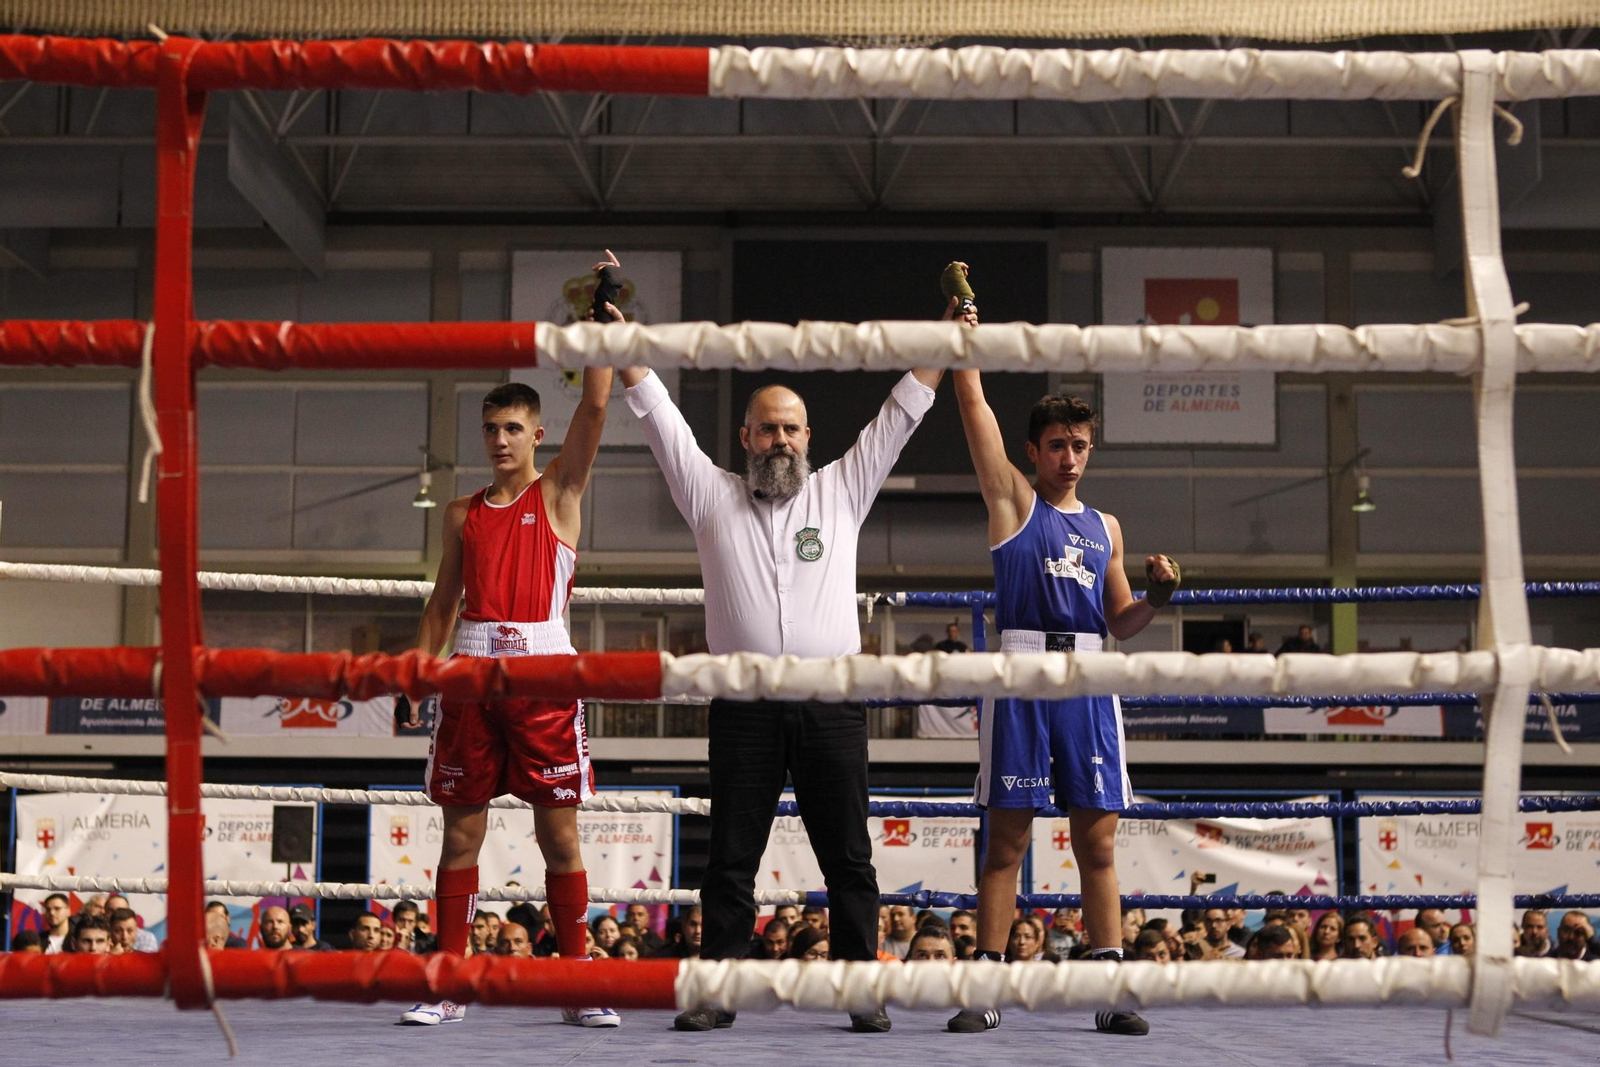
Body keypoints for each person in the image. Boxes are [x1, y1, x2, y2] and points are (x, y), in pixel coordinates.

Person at [620, 303, 953, 1037]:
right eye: (766, 427)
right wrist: (620, 338)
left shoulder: (844, 488)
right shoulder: (708, 493)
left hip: (832, 704)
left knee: (850, 858)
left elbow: (903, 410)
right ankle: (719, 990)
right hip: (743, 706)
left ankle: (863, 988)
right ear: (745, 437)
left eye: (791, 428)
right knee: (731, 860)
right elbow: (656, 412)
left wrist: (948, 334)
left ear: (809, 438)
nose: (779, 439)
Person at [399, 270, 617, 1030]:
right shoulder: (461, 511)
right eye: (490, 429)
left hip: (543, 672)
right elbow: (440, 603)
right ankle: (448, 981)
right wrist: (417, 671)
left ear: (537, 435)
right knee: (462, 828)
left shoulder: (558, 494)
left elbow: (595, 404)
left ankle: (578, 983)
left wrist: (599, 323)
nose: (498, 440)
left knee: (559, 830)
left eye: (512, 429)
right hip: (467, 670)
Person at [949, 369, 1180, 1038]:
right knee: (1007, 838)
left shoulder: (1106, 526)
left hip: (1090, 672)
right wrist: (965, 348)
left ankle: (1109, 990)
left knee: (1098, 839)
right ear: (1032, 451)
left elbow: (1123, 620)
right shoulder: (1012, 502)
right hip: (1021, 668)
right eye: (1056, 445)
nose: (1068, 457)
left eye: (1079, 445)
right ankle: (988, 984)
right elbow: (974, 409)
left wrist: (1158, 597)